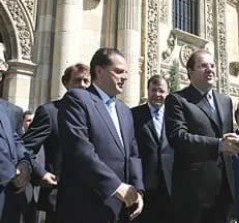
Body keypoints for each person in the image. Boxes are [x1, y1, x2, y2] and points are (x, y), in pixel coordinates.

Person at [57, 48, 144, 223]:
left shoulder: (125, 111)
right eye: (119, 71)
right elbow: (80, 151)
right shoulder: (77, 100)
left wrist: (138, 191)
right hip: (85, 206)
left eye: (126, 72)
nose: (125, 77)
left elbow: (133, 155)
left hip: (121, 208)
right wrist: (115, 186)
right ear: (99, 71)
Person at [164, 49, 239, 223]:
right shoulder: (177, 100)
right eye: (203, 66)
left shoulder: (225, 101)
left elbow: (227, 139)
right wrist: (218, 145)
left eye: (212, 65)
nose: (210, 69)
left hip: (224, 191)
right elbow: (178, 137)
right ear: (190, 71)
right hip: (193, 193)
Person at [23, 63, 91, 223]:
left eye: (86, 81)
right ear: (65, 83)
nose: (82, 85)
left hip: (90, 198)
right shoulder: (50, 112)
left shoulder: (95, 114)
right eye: (77, 80)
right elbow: (25, 148)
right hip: (58, 198)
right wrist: (41, 172)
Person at [131, 74, 174, 223]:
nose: (157, 94)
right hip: (144, 186)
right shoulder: (134, 114)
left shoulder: (174, 117)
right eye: (153, 90)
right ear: (147, 91)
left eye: (161, 91)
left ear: (167, 93)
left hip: (170, 186)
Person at [0, 60, 32, 223]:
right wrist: (12, 173)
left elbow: (14, 139)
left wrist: (25, 163)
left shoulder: (6, 109)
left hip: (9, 195)